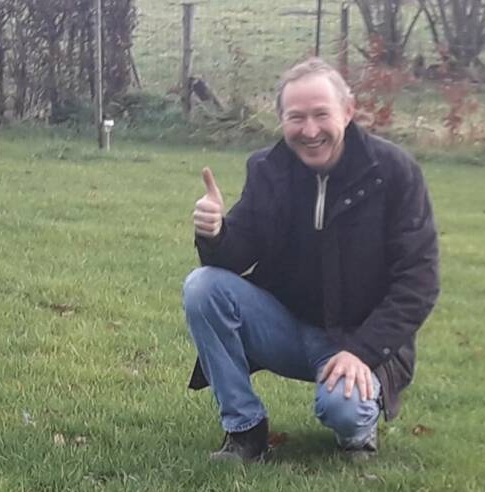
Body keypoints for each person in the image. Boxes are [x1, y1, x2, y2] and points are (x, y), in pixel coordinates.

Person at [183, 57, 440, 462]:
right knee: (203, 286)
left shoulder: (394, 172)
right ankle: (245, 431)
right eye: (296, 117)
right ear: (281, 119)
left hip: (356, 339)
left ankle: (359, 428)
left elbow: (419, 281)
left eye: (322, 114)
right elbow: (236, 254)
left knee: (343, 411)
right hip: (284, 329)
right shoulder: (267, 169)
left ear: (348, 111)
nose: (310, 130)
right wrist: (214, 232)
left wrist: (364, 350)